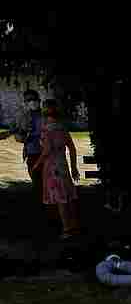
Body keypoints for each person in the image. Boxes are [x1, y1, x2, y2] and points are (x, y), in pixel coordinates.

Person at [32, 99, 81, 239]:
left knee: (60, 198)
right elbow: (72, 148)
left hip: (52, 166)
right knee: (68, 197)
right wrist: (74, 167)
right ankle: (74, 225)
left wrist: (37, 164)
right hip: (63, 165)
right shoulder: (62, 127)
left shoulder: (46, 129)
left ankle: (66, 229)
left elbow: (47, 150)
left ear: (45, 111)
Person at [13, 90, 45, 209]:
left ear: (38, 100)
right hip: (32, 153)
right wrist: (23, 135)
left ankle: (51, 207)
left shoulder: (45, 114)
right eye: (28, 100)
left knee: (49, 182)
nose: (31, 102)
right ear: (25, 102)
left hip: (47, 154)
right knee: (37, 182)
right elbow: (18, 137)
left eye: (33, 99)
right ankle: (42, 207)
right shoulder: (23, 117)